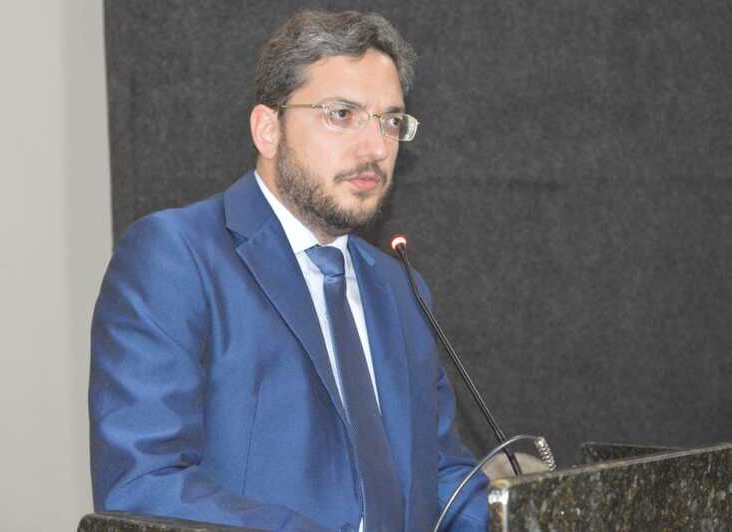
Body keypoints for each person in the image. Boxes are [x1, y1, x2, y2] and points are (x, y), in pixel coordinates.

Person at [89, 10, 488, 532]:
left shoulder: (401, 289)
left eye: (391, 121)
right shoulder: (177, 257)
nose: (376, 148)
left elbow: (441, 477)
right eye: (342, 114)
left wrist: (532, 514)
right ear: (268, 129)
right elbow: (143, 485)